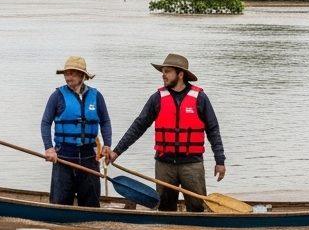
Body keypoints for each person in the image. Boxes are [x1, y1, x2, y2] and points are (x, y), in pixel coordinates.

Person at [107, 53, 226, 212]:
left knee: (197, 208)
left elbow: (213, 130)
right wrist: (117, 151)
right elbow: (138, 126)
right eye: (163, 72)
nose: (163, 75)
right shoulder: (157, 98)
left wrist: (220, 161)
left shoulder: (200, 98)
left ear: (181, 74)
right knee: (165, 209)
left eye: (167, 71)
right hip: (164, 164)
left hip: (192, 164)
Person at [40, 56, 113, 207]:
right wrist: (49, 148)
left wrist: (107, 145)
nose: (68, 77)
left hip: (89, 158)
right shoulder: (57, 96)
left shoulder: (96, 96)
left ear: (82, 75)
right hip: (63, 157)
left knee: (91, 206)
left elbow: (105, 121)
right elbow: (45, 123)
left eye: (72, 73)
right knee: (60, 205)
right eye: (66, 73)